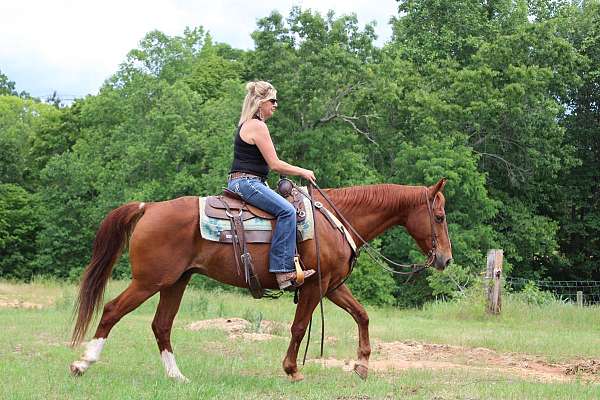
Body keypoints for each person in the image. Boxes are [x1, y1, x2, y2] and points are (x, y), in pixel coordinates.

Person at [227, 81, 316, 289]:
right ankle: (283, 270)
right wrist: (303, 171)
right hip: (246, 182)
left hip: (247, 181)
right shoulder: (257, 126)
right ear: (260, 103)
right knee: (287, 211)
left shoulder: (249, 124)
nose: (276, 105)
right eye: (272, 101)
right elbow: (275, 164)